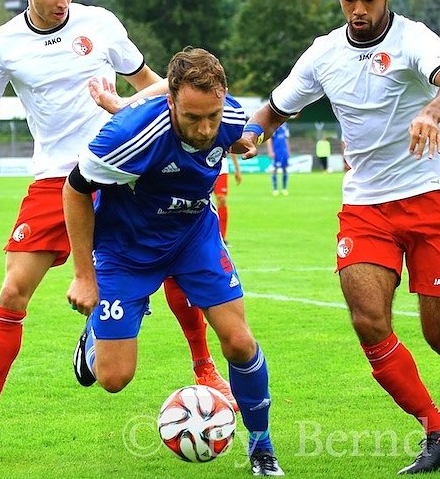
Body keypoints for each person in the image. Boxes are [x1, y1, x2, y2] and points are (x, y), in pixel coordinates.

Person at [0, 0, 233, 465]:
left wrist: (138, 114)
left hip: (122, 172)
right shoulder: (1, 45)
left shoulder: (100, 24)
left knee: (169, 261)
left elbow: (153, 87)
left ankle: (203, 367)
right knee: (12, 292)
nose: (63, 2)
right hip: (56, 178)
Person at [235, 0, 440, 474]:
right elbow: (274, 110)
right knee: (368, 319)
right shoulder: (323, 54)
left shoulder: (415, 38)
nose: (358, 10)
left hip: (430, 194)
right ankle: (439, 432)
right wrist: (252, 135)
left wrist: (432, 112)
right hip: (365, 205)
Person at [65, 48, 284, 477]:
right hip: (124, 250)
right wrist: (83, 277)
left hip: (192, 236)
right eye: (192, 118)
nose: (205, 130)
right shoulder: (127, 137)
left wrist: (246, 138)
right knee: (113, 378)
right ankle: (92, 338)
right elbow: (74, 191)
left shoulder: (229, 117)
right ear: (170, 105)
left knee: (239, 341)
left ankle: (262, 448)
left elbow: (249, 127)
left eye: (213, 117)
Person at [214, 153, 242, 243]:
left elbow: (233, 148)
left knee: (221, 199)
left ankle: (222, 237)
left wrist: (237, 169)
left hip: (221, 167)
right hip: (201, 164)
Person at [267, 122, 290, 195]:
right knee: (274, 169)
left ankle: (284, 189)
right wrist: (270, 151)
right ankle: (275, 189)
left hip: (284, 151)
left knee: (285, 169)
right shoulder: (274, 125)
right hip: (276, 150)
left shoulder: (285, 125)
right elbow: (269, 139)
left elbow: (286, 139)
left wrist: (288, 150)